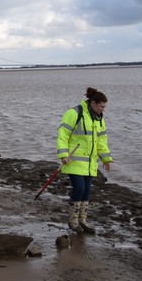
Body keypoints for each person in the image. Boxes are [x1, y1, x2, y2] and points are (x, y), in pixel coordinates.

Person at [56, 87, 113, 234]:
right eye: (101, 106)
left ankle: (82, 220)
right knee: (79, 188)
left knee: (87, 190)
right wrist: (63, 155)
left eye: (104, 107)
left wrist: (106, 159)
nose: (103, 110)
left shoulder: (100, 120)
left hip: (90, 163)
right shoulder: (74, 113)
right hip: (73, 160)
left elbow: (102, 142)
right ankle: (72, 220)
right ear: (93, 103)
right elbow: (63, 135)